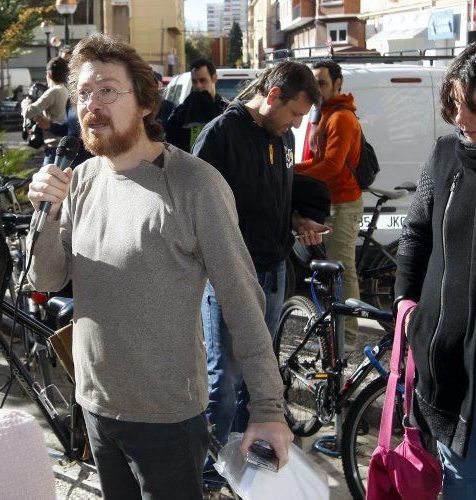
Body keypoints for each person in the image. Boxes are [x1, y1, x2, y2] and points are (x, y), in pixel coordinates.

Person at [26, 33, 292, 498]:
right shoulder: (83, 178)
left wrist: (268, 409)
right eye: (84, 93)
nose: (92, 104)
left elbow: (242, 301)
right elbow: (46, 278)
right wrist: (45, 213)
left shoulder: (195, 186)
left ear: (146, 103)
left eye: (107, 89)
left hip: (165, 419)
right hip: (93, 404)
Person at [192, 61, 327, 492]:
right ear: (271, 96)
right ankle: (210, 472)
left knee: (260, 376)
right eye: (294, 114)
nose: (296, 124)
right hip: (228, 281)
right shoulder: (220, 136)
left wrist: (298, 220)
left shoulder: (282, 136)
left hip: (273, 271)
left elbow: (274, 199)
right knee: (225, 381)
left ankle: (250, 463)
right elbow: (191, 214)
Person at [394, 43, 476, 498]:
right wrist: (407, 301)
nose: (458, 117)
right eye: (455, 103)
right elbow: (416, 233)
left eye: (468, 105)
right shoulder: (445, 155)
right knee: (460, 483)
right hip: (445, 367)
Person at [295, 60, 363, 350]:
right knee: (332, 269)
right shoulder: (325, 114)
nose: (316, 88)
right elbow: (321, 162)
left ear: (337, 83)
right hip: (331, 201)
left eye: (322, 82)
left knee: (343, 268)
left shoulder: (341, 118)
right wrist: (292, 169)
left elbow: (332, 166)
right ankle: (337, 332)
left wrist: (291, 176)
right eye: (314, 82)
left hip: (343, 203)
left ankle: (347, 336)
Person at [165, 59, 229, 152]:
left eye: (203, 80)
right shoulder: (181, 112)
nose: (198, 86)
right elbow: (170, 142)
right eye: (195, 81)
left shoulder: (225, 110)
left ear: (214, 78)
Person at [21, 57, 69, 165]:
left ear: (49, 75)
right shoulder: (64, 90)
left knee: (46, 180)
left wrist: (25, 103)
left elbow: (28, 112)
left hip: (54, 146)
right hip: (62, 143)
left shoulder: (53, 91)